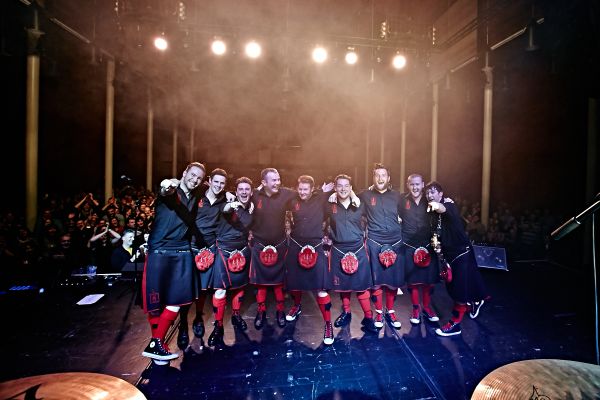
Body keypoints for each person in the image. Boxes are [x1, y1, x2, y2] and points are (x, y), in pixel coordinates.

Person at [141, 162, 205, 362]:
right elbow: (164, 187)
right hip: (160, 250)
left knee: (177, 301)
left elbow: (215, 189)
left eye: (199, 178)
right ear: (185, 172)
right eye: (192, 175)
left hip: (181, 252)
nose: (194, 180)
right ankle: (157, 344)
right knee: (155, 303)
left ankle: (156, 342)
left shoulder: (195, 195)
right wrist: (167, 184)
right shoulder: (171, 190)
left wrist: (229, 195)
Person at [424, 181, 489, 336]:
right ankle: (476, 300)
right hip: (450, 256)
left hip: (462, 253)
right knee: (454, 287)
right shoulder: (432, 215)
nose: (430, 195)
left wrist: (435, 205)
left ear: (441, 194)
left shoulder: (449, 205)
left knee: (459, 290)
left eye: (433, 192)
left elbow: (442, 208)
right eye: (428, 193)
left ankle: (455, 325)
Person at [178, 168, 229, 349]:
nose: (219, 186)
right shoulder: (197, 193)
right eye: (216, 182)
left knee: (203, 289)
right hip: (190, 247)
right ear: (209, 180)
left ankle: (198, 317)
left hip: (210, 249)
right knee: (186, 289)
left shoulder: (225, 199)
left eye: (222, 183)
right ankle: (182, 324)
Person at [284, 175, 335, 345]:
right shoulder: (292, 200)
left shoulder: (321, 199)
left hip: (316, 246)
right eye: (300, 189)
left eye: (306, 189)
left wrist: (329, 236)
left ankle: (328, 325)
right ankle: (296, 306)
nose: (302, 192)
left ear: (312, 189)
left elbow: (332, 215)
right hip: (296, 245)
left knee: (321, 289)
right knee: (294, 282)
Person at [327, 174, 378, 333]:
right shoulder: (329, 204)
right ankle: (346, 312)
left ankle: (369, 317)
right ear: (335, 188)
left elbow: (374, 197)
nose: (343, 188)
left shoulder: (361, 204)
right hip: (338, 249)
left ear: (351, 188)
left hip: (357, 248)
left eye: (346, 185)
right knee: (344, 286)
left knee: (362, 285)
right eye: (339, 185)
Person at [249, 168, 298, 329]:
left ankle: (280, 311)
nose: (278, 183)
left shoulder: (286, 194)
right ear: (264, 183)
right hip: (259, 245)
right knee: (260, 283)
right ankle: (261, 311)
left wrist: (324, 193)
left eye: (278, 179)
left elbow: (305, 194)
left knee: (279, 282)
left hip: (279, 245)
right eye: (274, 180)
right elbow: (239, 195)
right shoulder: (254, 195)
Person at [208, 177, 255, 345]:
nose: (243, 191)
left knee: (239, 287)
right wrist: (231, 204)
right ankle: (218, 325)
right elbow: (227, 209)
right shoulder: (228, 202)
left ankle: (236, 315)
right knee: (220, 290)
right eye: (240, 189)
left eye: (246, 189)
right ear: (236, 191)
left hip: (242, 249)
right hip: (223, 249)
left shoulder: (252, 207)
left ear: (251, 191)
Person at [359, 163, 404, 330]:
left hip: (395, 242)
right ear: (373, 178)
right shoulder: (365, 195)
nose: (380, 178)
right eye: (377, 175)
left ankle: (390, 311)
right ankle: (378, 311)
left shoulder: (398, 196)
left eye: (383, 175)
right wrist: (332, 195)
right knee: (377, 282)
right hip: (375, 241)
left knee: (393, 281)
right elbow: (347, 195)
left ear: (388, 178)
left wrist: (443, 201)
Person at [399, 174, 440, 325]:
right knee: (413, 281)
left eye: (417, 184)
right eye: (412, 184)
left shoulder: (430, 199)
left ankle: (427, 307)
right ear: (408, 185)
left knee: (428, 281)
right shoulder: (402, 200)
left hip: (427, 246)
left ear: (423, 184)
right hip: (409, 245)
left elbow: (442, 206)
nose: (415, 187)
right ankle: (416, 308)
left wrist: (447, 201)